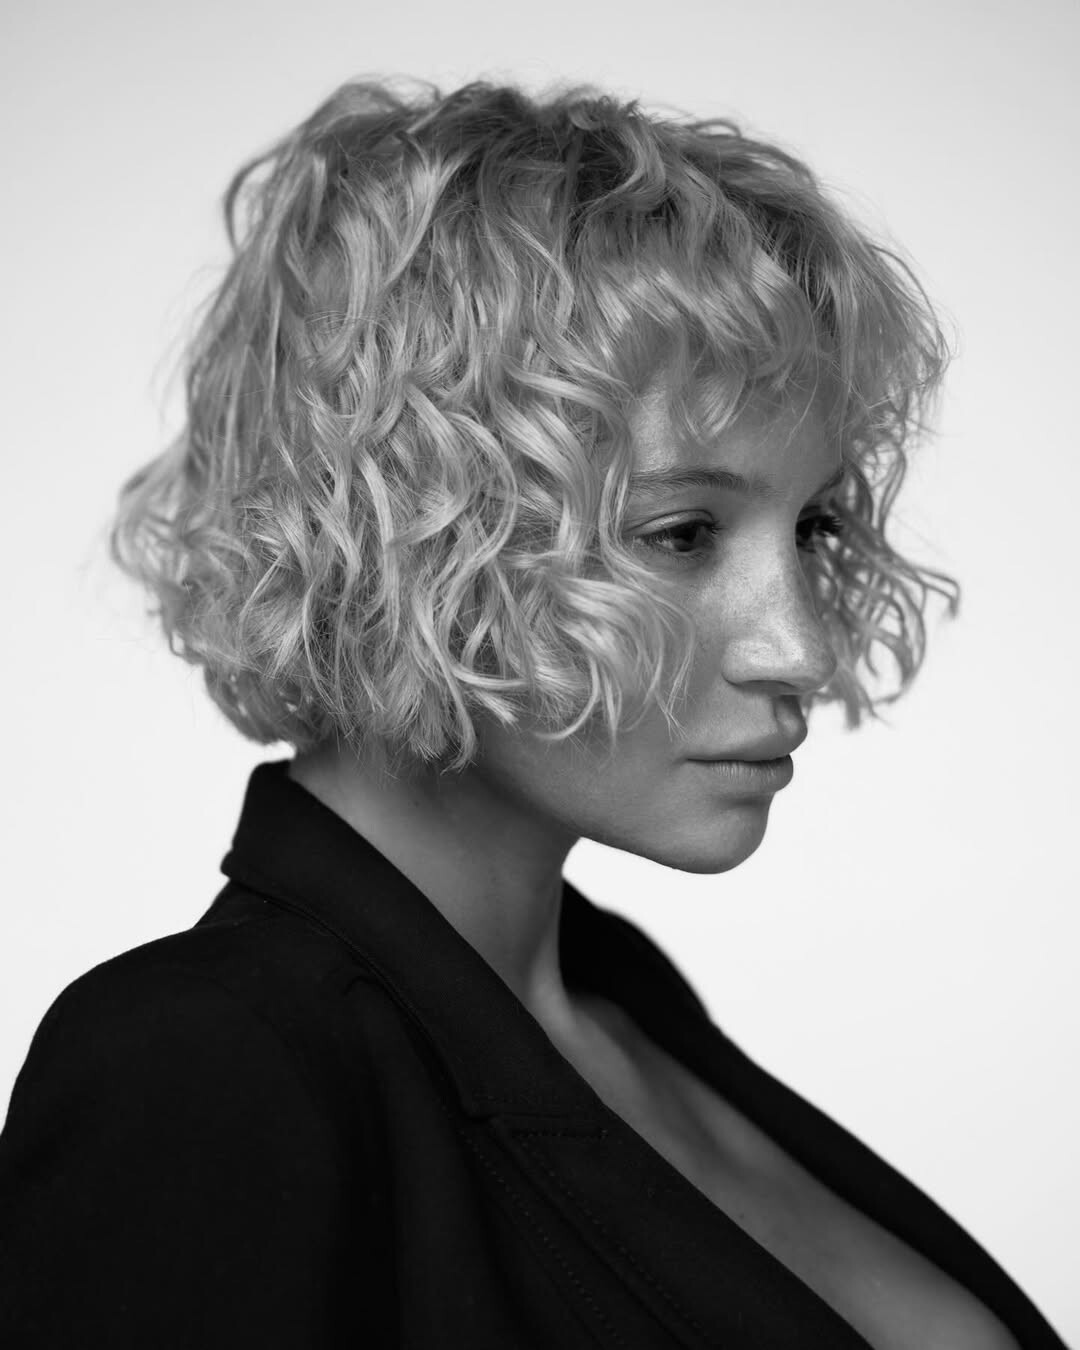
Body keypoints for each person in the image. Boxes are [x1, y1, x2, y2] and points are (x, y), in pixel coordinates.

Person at [0, 76, 1067, 1350]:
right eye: (684, 532)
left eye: (814, 527)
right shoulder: (205, 1067)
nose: (804, 647)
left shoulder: (621, 1009)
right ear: (409, 529)